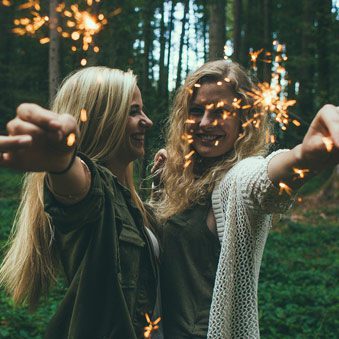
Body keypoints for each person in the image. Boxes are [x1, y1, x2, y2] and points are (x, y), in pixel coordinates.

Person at [151, 60, 339, 338]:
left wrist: (305, 156)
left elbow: (264, 180)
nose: (204, 123)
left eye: (221, 112)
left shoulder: (238, 178)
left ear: (245, 119)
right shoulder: (177, 174)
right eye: (197, 110)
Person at [0, 66, 163, 339]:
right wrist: (61, 163)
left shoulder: (129, 201)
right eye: (133, 111)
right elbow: (78, 190)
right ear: (103, 118)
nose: (147, 121)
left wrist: (165, 187)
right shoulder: (91, 188)